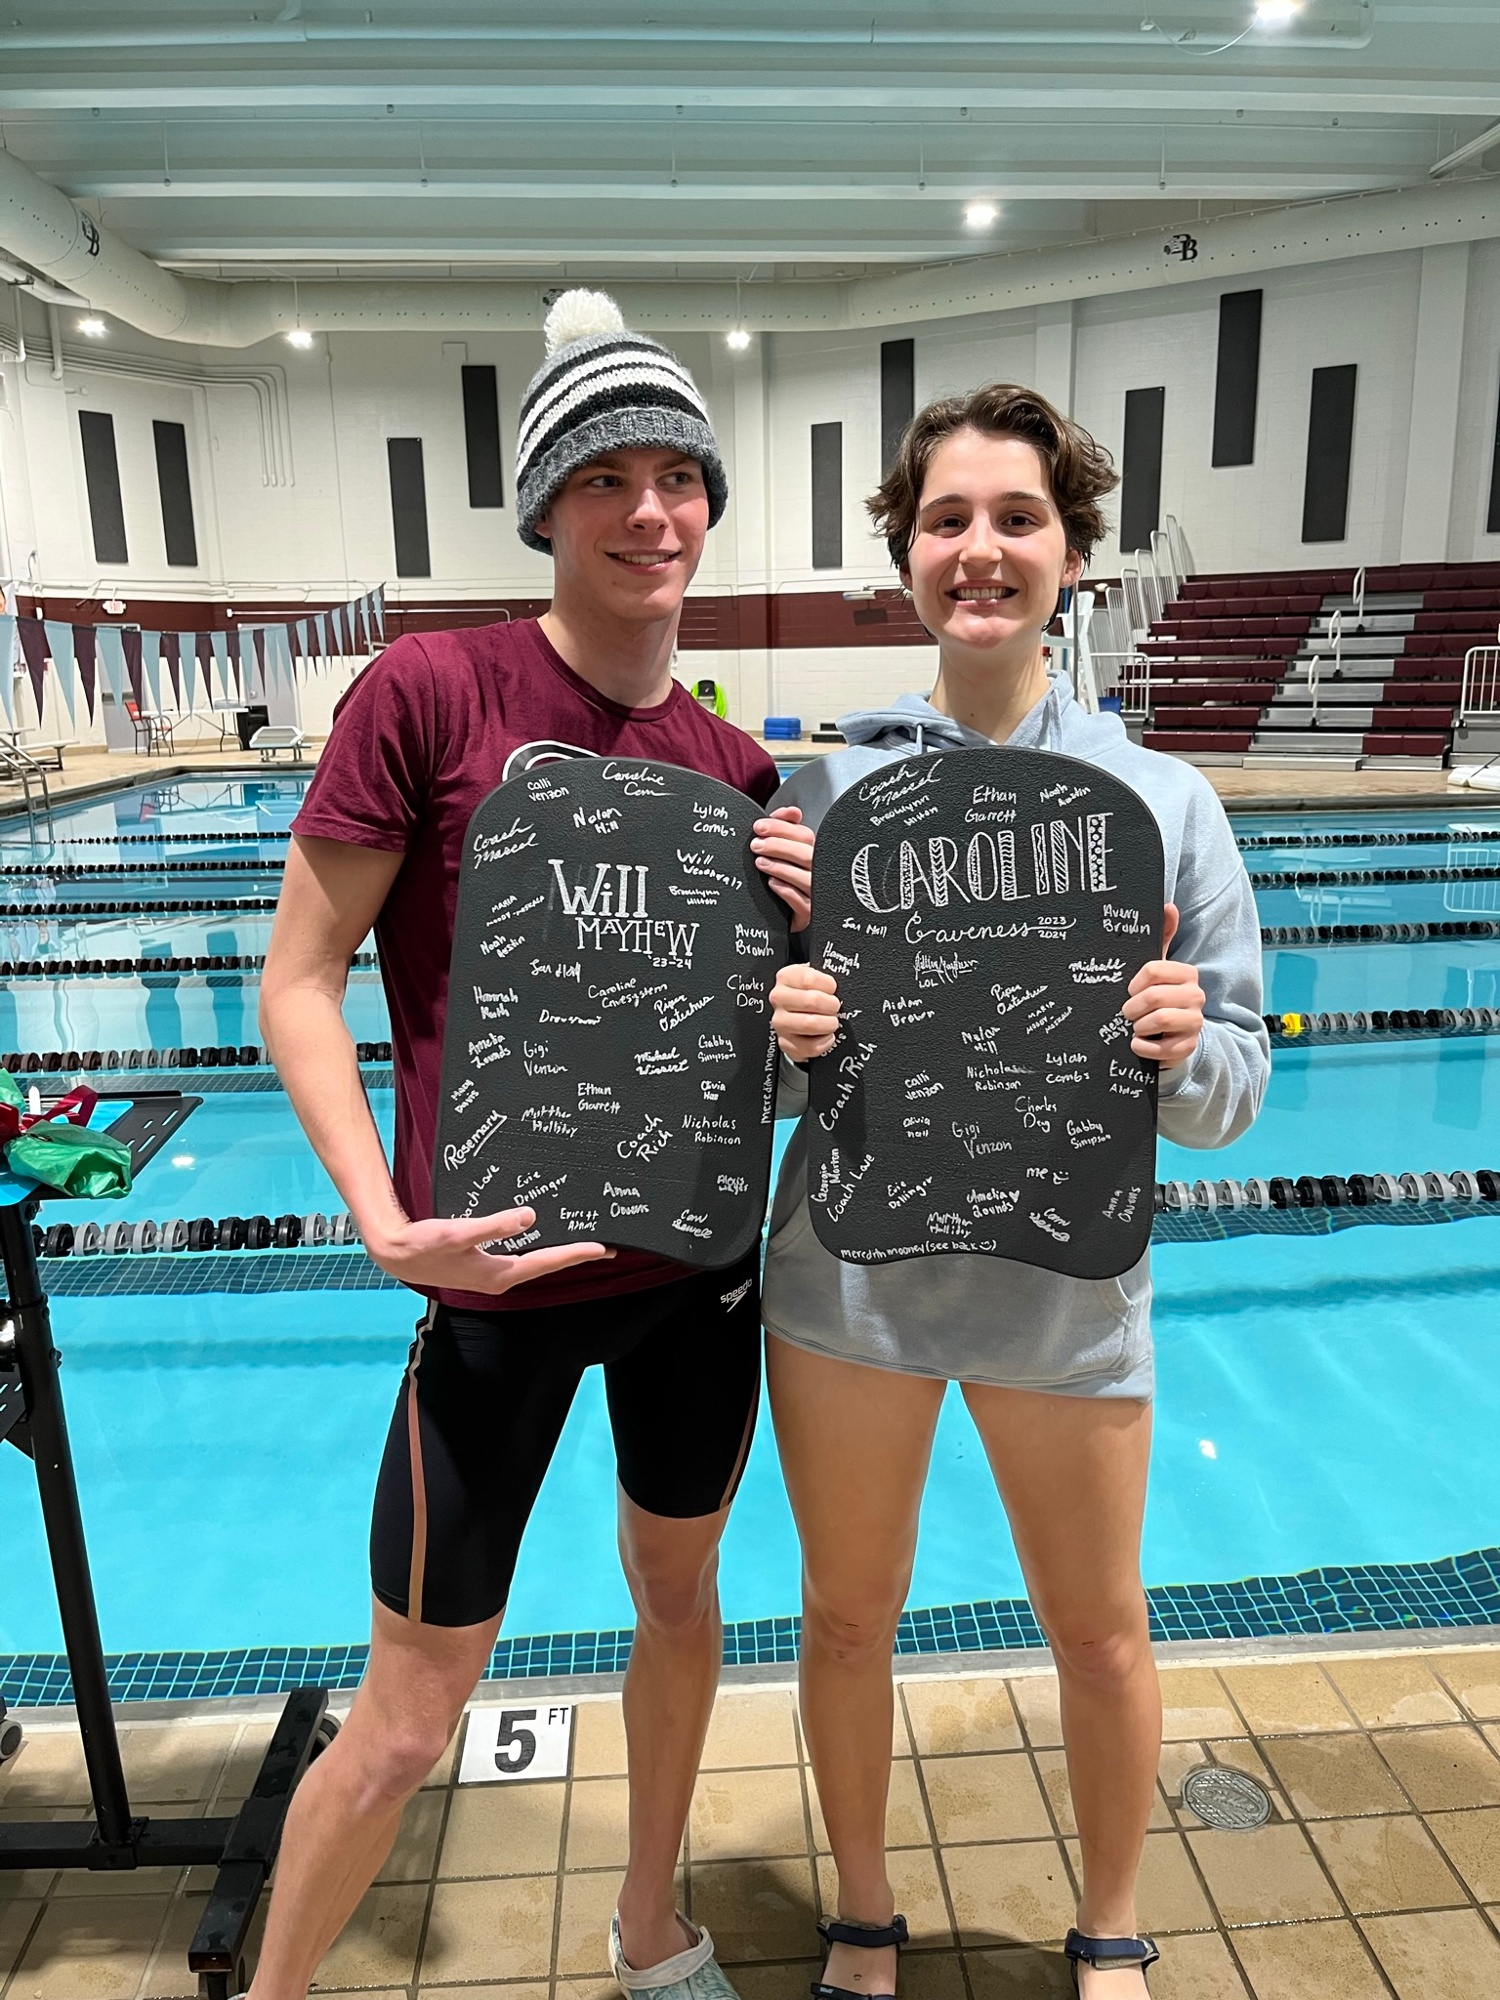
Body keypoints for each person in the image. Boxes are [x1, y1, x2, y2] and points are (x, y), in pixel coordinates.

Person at [244, 291, 815, 2000]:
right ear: (546, 511)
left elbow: (762, 1061)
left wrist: (810, 967)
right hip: (492, 1291)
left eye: (679, 477)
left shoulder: (736, 774)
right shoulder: (431, 693)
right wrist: (379, 1219)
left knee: (681, 1604)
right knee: (407, 1720)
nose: (652, 511)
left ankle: (650, 1927)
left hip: (697, 1287)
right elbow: (297, 979)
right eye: (607, 479)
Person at [765, 384, 1267, 1998]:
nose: (979, 549)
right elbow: (754, 1090)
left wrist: (1181, 1044)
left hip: (1067, 1295)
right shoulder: (822, 800)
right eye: (947, 520)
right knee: (849, 1621)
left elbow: (1233, 1094)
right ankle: (860, 1911)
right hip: (848, 1290)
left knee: (1101, 1631)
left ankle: (1112, 1924)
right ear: (906, 554)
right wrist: (784, 1031)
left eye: (1017, 518)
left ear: (1072, 553)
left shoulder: (1166, 806)